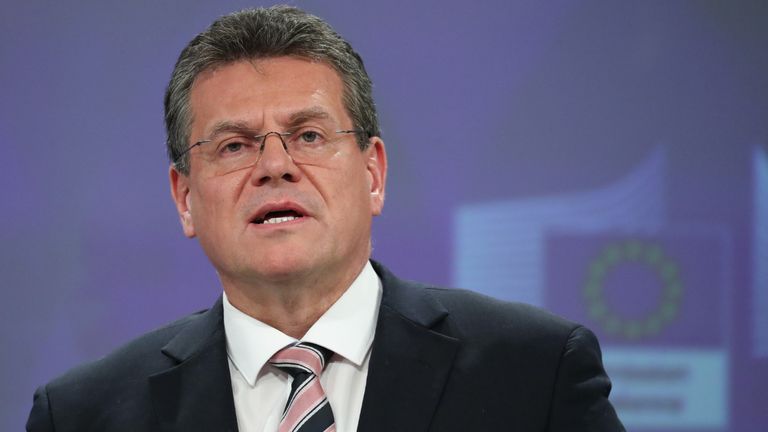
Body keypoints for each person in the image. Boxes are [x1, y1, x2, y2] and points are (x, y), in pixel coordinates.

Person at [26, 6, 625, 432]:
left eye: (308, 135)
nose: (275, 166)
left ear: (373, 174)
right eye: (234, 146)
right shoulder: (83, 415)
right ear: (184, 197)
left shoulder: (535, 372)